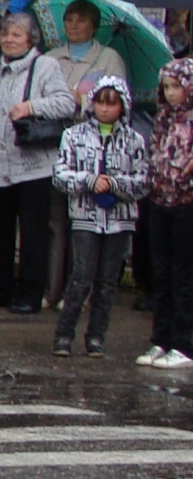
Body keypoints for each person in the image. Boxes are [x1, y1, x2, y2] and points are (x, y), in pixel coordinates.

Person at [0, 11, 75, 314]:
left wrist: (32, 106)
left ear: (31, 39)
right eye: (5, 34)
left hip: (33, 165)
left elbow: (66, 102)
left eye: (17, 34)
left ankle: (31, 293)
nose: (9, 39)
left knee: (33, 232)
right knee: (0, 229)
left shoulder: (45, 66)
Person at [53, 73, 145, 356]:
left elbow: (143, 181)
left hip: (119, 220)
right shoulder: (73, 135)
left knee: (107, 282)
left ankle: (96, 337)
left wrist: (116, 184)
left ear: (123, 107)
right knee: (81, 276)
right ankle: (63, 334)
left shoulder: (134, 140)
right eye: (100, 102)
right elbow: (60, 174)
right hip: (85, 217)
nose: (104, 109)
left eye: (112, 104)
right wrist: (89, 180)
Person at [141, 57, 193, 367]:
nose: (171, 93)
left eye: (177, 86)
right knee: (160, 273)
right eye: (167, 87)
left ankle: (184, 343)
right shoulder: (162, 118)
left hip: (187, 201)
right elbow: (154, 151)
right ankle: (161, 339)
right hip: (160, 197)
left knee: (182, 275)